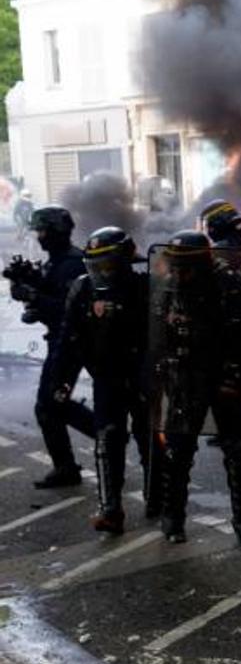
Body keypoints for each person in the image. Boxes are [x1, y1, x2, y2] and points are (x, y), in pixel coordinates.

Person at [145, 229, 241, 548]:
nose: (178, 272)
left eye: (184, 266)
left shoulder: (230, 285)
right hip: (186, 375)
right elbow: (158, 330)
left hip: (224, 376)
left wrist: (237, 375)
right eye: (175, 265)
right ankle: (173, 519)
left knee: (239, 452)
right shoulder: (168, 285)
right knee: (177, 450)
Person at [54, 227, 149, 533]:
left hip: (142, 375)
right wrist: (62, 380)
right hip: (106, 376)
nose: (102, 271)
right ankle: (111, 510)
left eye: (107, 264)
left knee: (151, 438)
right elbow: (69, 339)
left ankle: (159, 498)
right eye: (96, 264)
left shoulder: (145, 287)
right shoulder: (83, 289)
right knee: (108, 440)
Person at [20, 206, 95, 488]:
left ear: (55, 232)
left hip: (72, 344)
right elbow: (48, 304)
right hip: (61, 342)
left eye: (42, 231)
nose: (39, 237)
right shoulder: (55, 262)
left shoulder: (73, 264)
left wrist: (35, 298)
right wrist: (30, 294)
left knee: (49, 405)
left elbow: (69, 311)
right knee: (51, 405)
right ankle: (70, 464)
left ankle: (103, 433)